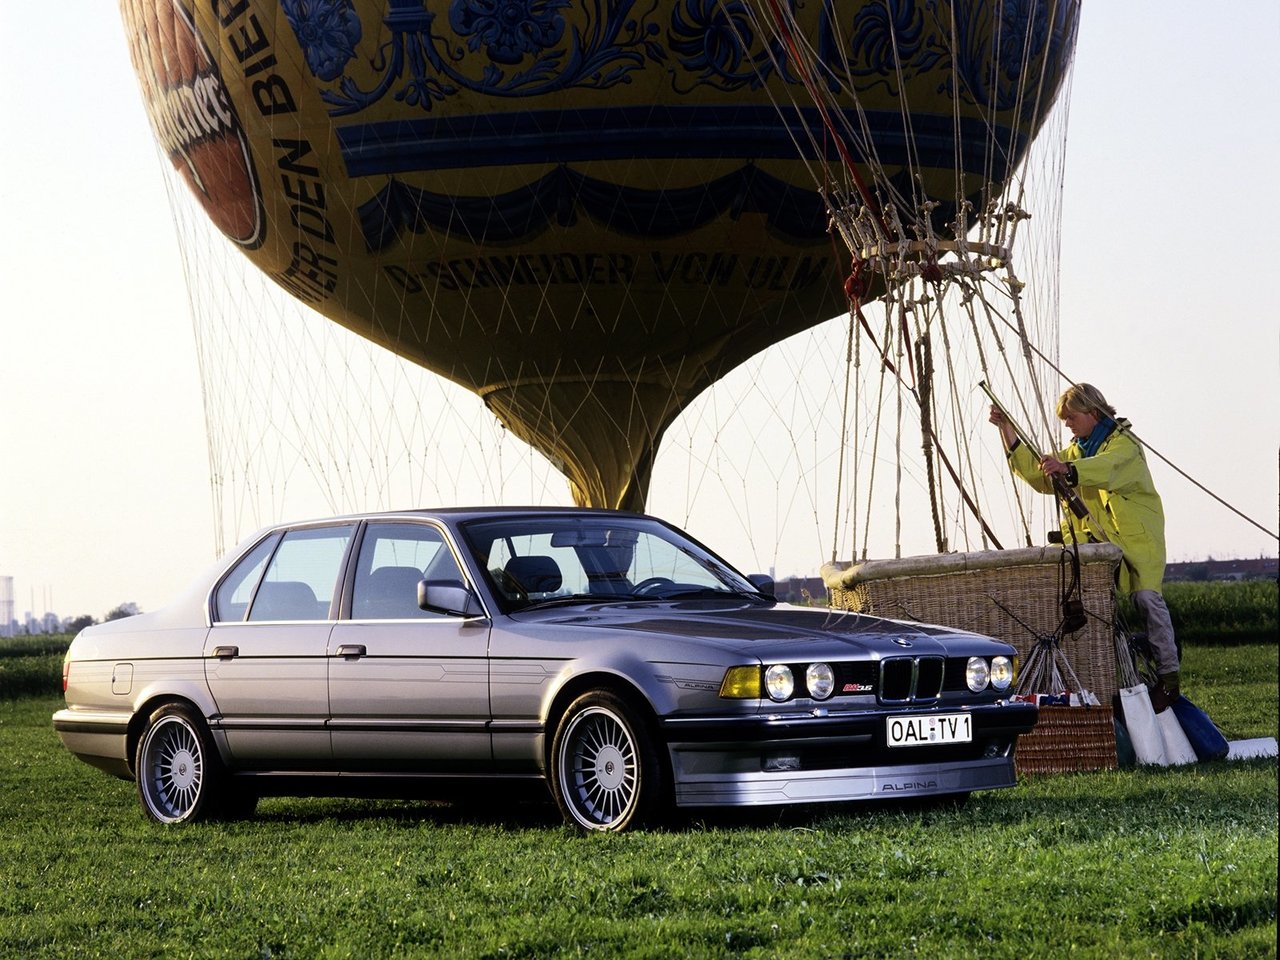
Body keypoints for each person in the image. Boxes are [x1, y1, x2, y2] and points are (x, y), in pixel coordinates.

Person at [989, 383, 1181, 700]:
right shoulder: (1077, 452)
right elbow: (1040, 477)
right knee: (1082, 602)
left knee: (1147, 600)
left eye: (1071, 417)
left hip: (1137, 540)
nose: (1067, 424)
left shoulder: (1125, 446)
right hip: (1095, 543)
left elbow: (1107, 468)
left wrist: (1068, 468)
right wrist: (1007, 430)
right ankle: (1096, 677)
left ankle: (1169, 678)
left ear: (1093, 413)